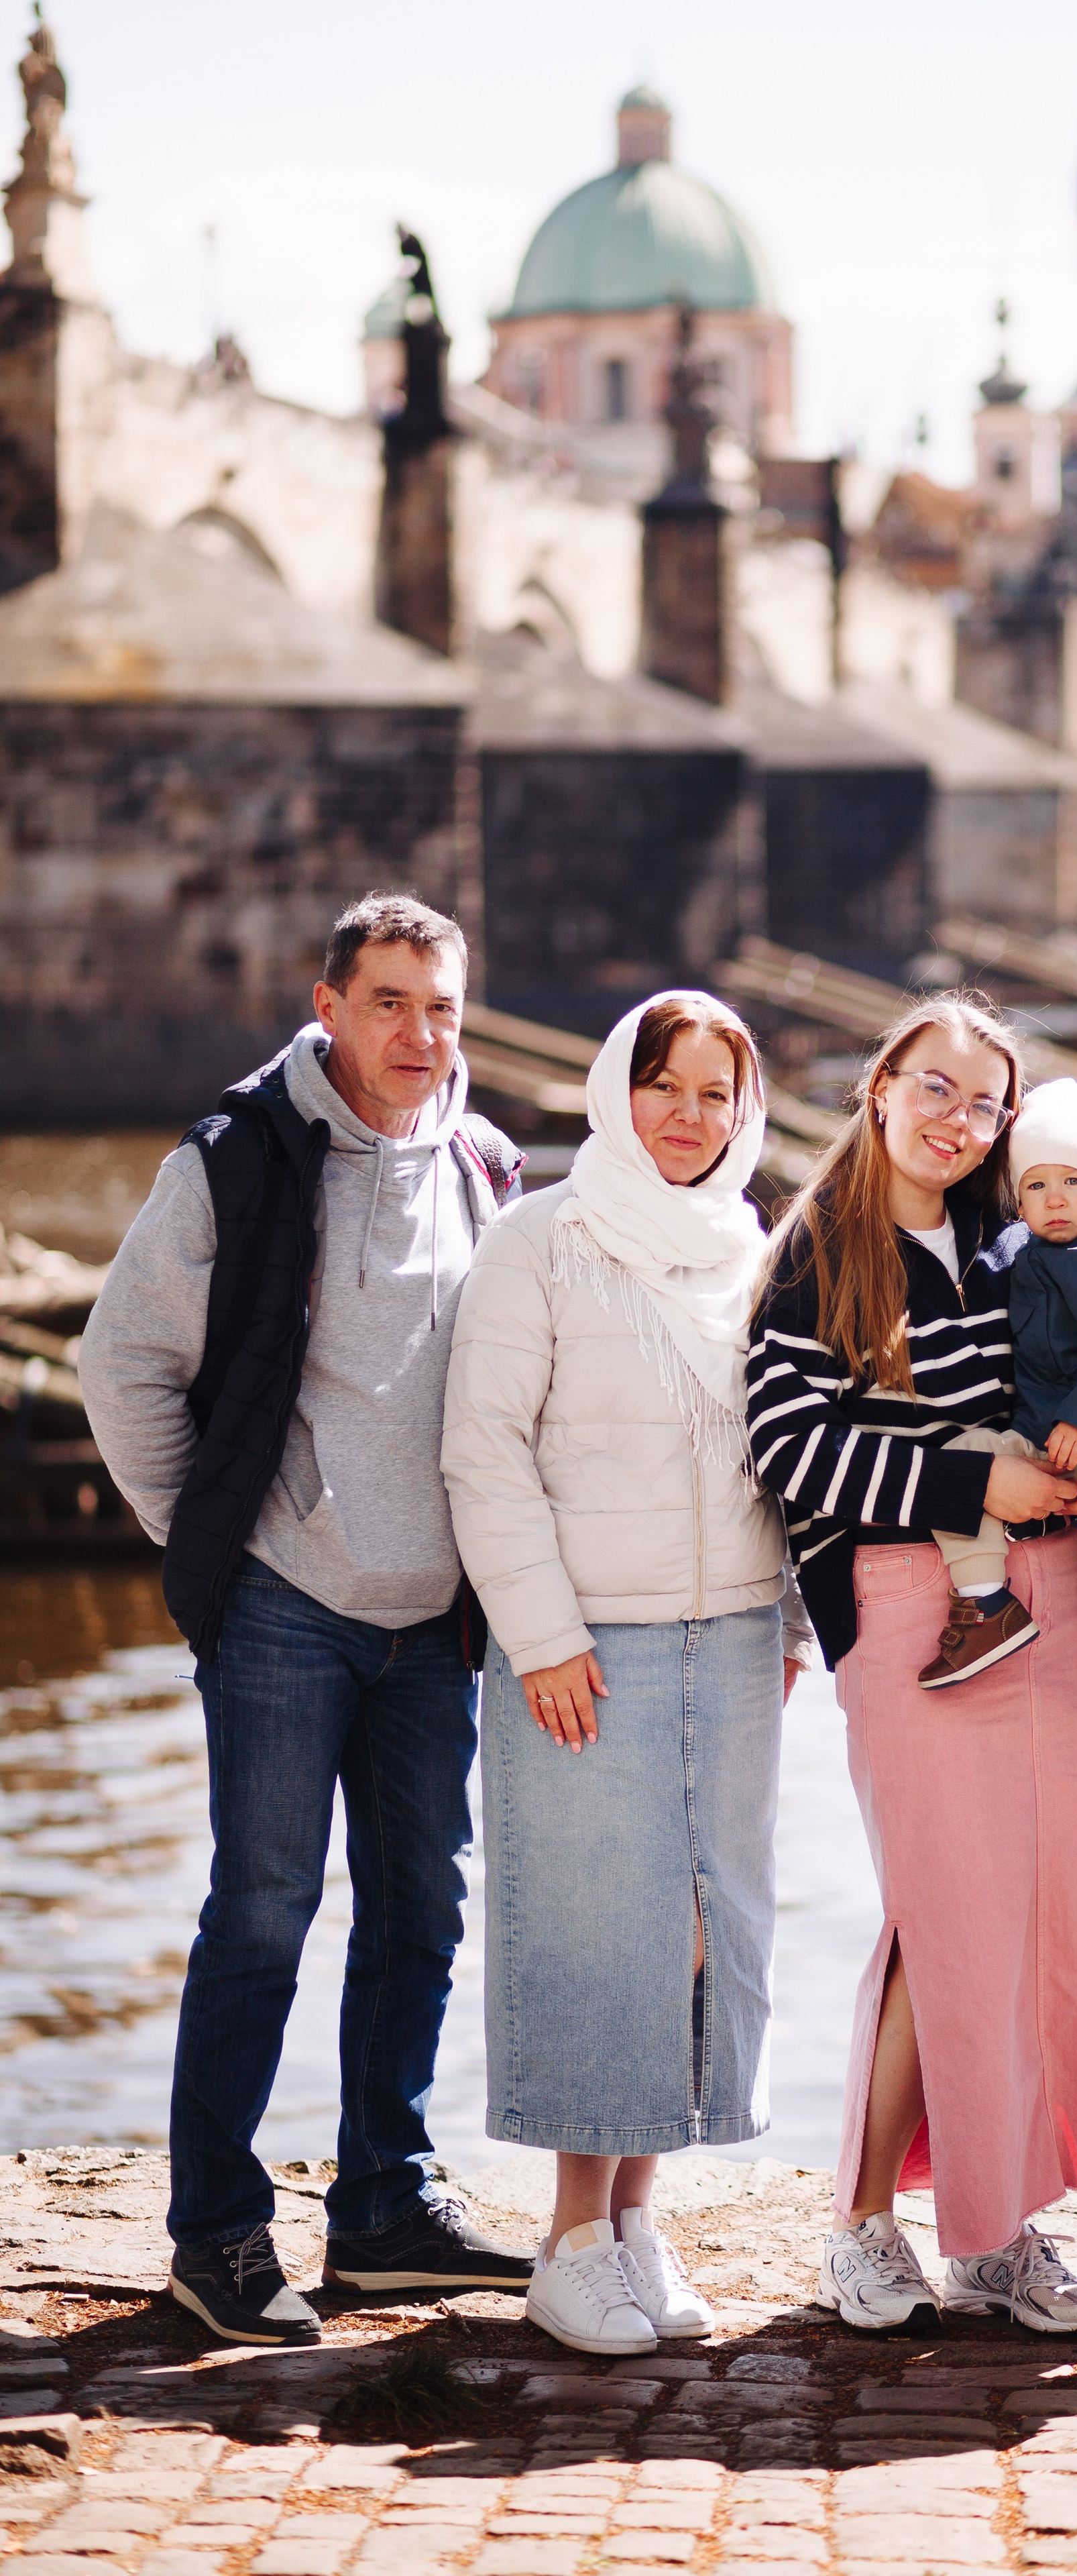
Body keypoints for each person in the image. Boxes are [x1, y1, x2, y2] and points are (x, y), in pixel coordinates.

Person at [78, 892, 536, 2348]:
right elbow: (122, 1367)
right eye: (390, 1001)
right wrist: (219, 1542)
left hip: (429, 1626)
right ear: (328, 1004)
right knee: (262, 1917)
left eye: (443, 1006)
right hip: (284, 1611)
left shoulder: (485, 1166)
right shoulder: (237, 1157)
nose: (419, 1032)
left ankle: (384, 2212)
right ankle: (215, 2235)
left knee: (421, 1913)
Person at [747, 994, 1077, 2338]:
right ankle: (862, 2224)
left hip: (1041, 1589)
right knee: (943, 1911)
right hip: (899, 1599)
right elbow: (787, 1450)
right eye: (935, 1089)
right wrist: (961, 1470)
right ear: (879, 1087)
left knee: (1043, 1910)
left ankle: (995, 2230)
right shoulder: (816, 1247)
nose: (958, 1121)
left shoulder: (1019, 1228)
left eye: (984, 1102)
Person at [441, 991, 813, 2359]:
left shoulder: (749, 1250)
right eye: (664, 1083)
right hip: (584, 1649)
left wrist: (784, 1627)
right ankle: (569, 2242)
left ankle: (639, 2223)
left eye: (716, 1092)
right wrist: (540, 1635)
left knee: (702, 1937)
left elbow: (777, 1456)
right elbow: (483, 1448)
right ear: (616, 1088)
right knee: (592, 1930)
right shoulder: (539, 1237)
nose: (687, 1114)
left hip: (729, 1644)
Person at [919, 1077, 1077, 1688]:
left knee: (961, 1468)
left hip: (1074, 1438)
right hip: (1054, 1426)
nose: (1054, 1199)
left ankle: (985, 1603)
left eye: (1072, 1182)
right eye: (1036, 1185)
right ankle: (986, 1594)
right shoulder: (1050, 1251)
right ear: (1018, 1201)